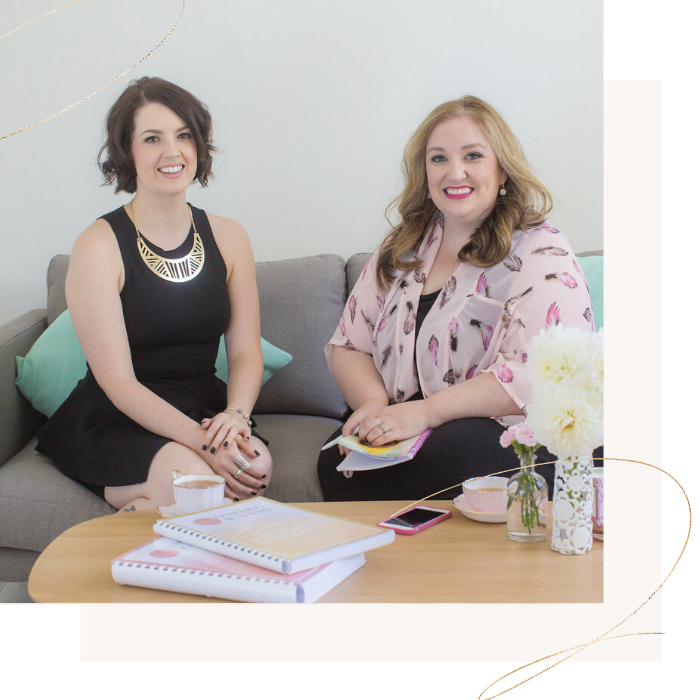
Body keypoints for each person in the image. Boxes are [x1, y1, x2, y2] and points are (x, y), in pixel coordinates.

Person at [317, 95, 599, 501]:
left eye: (472, 155)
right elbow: (348, 345)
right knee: (335, 461)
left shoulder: (541, 250)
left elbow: (546, 372)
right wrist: (376, 411)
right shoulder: (403, 248)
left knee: (460, 450)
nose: (455, 172)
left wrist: (424, 414)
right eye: (438, 159)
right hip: (408, 428)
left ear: (502, 169)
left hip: (500, 431)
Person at [36, 77, 272, 511]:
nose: (172, 151)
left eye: (184, 135)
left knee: (257, 469)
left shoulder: (229, 236)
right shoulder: (98, 245)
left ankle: (141, 516)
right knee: (199, 487)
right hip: (117, 414)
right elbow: (119, 383)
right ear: (127, 150)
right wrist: (205, 445)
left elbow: (245, 354)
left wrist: (234, 418)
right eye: (152, 138)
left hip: (204, 404)